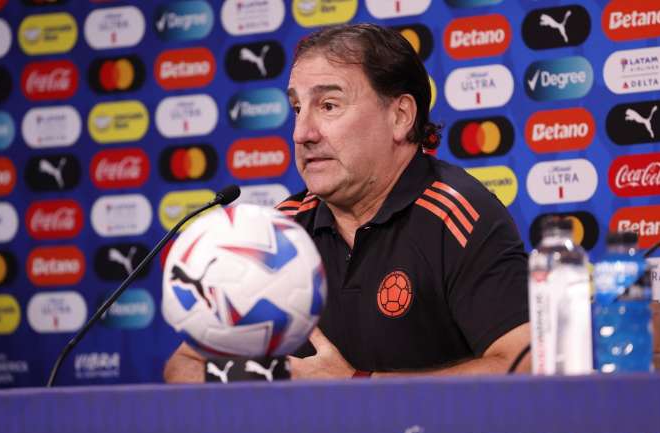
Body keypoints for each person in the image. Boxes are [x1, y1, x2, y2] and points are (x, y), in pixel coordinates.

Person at [164, 23, 530, 382]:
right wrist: (272, 382)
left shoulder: (458, 215)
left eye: (328, 105)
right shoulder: (280, 234)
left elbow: (525, 366)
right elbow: (183, 367)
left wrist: (357, 386)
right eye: (296, 108)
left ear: (400, 116)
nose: (302, 133)